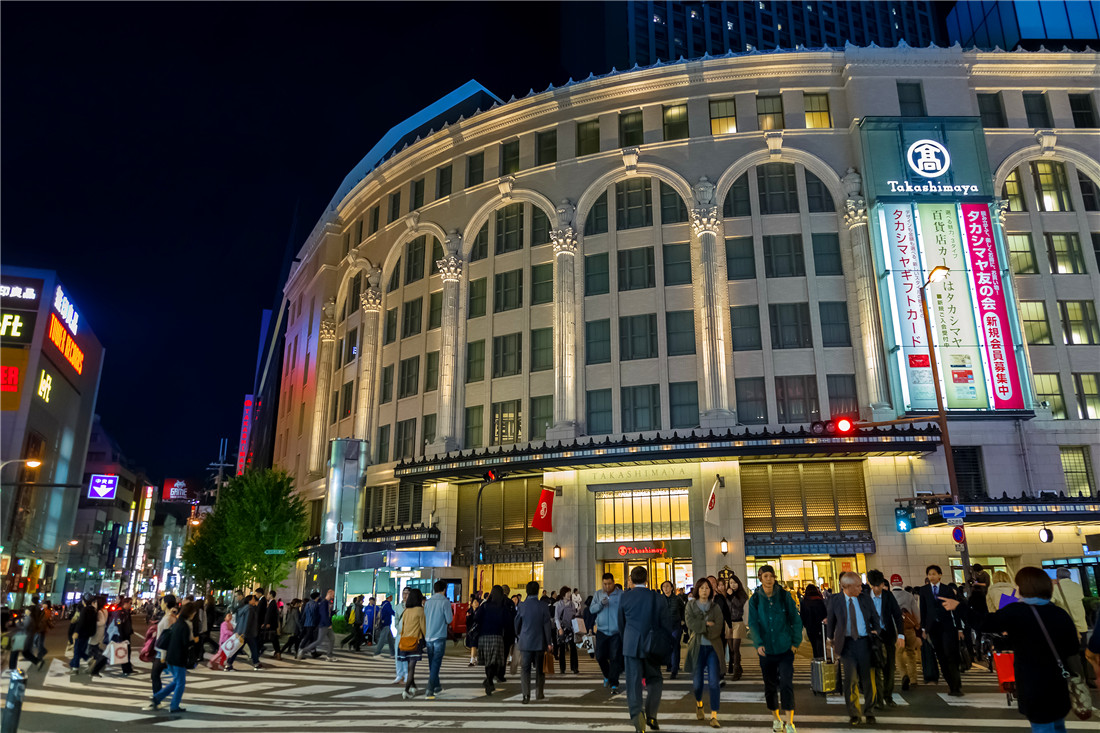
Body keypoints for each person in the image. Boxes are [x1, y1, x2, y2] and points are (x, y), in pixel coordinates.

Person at [983, 567, 1081, 733]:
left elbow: (985, 622)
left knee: (1042, 726)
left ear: (1025, 589)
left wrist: (958, 608)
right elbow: (1072, 648)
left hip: (1033, 684)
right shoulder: (1060, 613)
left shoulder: (1017, 612)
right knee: (1058, 725)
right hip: (1058, 681)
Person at [618, 564, 675, 733]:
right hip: (652, 644)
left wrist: (626, 639)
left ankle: (637, 717)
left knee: (633, 683)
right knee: (655, 680)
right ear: (647, 579)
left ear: (631, 579)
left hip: (631, 644)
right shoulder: (657, 597)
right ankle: (652, 715)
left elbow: (620, 623)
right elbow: (666, 623)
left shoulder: (625, 597)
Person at [747, 565, 801, 733]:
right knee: (770, 685)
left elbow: (795, 620)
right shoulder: (755, 600)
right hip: (766, 650)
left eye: (771, 576)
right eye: (765, 576)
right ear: (760, 578)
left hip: (785, 648)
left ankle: (790, 722)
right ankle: (776, 719)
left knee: (786, 683)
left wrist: (795, 642)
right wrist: (758, 643)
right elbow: (753, 623)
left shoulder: (784, 596)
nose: (768, 579)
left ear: (774, 577)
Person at [827, 571, 882, 727]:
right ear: (847, 587)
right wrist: (829, 639)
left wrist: (876, 630)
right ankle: (854, 713)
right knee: (850, 680)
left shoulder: (865, 598)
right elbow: (831, 620)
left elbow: (875, 617)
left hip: (865, 643)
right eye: (858, 585)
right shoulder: (835, 600)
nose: (861, 587)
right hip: (847, 644)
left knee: (868, 679)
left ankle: (870, 711)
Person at [144, 601, 199, 714]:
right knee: (180, 683)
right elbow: (185, 644)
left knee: (176, 681)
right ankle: (174, 706)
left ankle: (157, 698)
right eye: (194, 613)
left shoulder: (177, 623)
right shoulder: (185, 625)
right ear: (190, 613)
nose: (194, 615)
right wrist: (194, 641)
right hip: (178, 657)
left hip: (171, 656)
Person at [918, 564, 964, 696]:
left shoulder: (947, 589)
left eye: (934, 574)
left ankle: (956, 686)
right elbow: (923, 610)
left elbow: (955, 610)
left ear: (940, 575)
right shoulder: (924, 590)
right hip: (933, 627)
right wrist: (923, 628)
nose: (931, 576)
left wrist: (959, 629)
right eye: (929, 574)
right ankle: (951, 684)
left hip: (948, 626)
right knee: (941, 656)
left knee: (950, 654)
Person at [685, 577, 724, 728]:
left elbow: (718, 626)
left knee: (714, 682)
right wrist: (706, 624)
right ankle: (699, 704)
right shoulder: (690, 606)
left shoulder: (715, 607)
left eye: (707, 588)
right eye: (701, 588)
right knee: (697, 683)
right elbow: (690, 623)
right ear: (697, 590)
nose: (704, 590)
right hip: (697, 647)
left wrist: (704, 628)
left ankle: (714, 715)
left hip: (713, 648)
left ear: (711, 590)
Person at [865, 570, 905, 710]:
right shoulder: (864, 596)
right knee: (875, 668)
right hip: (872, 637)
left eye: (878, 585)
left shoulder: (888, 596)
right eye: (873, 585)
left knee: (889, 667)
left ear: (883, 584)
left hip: (887, 635)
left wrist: (901, 635)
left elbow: (897, 616)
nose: (876, 589)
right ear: (870, 584)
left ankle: (888, 696)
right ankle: (878, 699)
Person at [514, 580, 554, 704]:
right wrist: (549, 642)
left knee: (525, 669)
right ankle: (539, 693)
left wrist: (519, 634)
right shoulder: (543, 606)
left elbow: (516, 623)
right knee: (540, 670)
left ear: (526, 591)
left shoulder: (522, 606)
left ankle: (526, 695)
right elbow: (547, 625)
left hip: (525, 641)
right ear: (538, 591)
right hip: (540, 642)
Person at [592, 572, 624, 694]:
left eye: (609, 583)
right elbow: (591, 609)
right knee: (600, 656)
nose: (607, 586)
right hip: (601, 630)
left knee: (615, 657)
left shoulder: (621, 595)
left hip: (616, 631)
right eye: (604, 584)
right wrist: (600, 604)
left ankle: (614, 684)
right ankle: (607, 675)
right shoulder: (598, 594)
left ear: (613, 582)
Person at [475, 585, 510, 695]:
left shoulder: (485, 606)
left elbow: (476, 619)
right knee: (495, 661)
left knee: (488, 662)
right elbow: (507, 623)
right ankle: (489, 680)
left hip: (484, 636)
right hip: (497, 637)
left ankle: (489, 680)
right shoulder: (502, 607)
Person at [889, 574, 921, 691]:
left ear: (891, 584)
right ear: (901, 583)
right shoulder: (908, 596)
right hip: (909, 629)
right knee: (911, 653)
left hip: (896, 630)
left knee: (898, 654)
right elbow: (916, 613)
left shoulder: (889, 596)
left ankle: (904, 675)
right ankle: (913, 679)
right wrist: (917, 624)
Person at [424, 579, 454, 700]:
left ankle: (437, 686)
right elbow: (449, 619)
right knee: (436, 663)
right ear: (444, 589)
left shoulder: (428, 602)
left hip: (428, 635)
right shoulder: (445, 602)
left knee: (432, 662)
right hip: (439, 635)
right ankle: (430, 688)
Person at [396, 588, 426, 699]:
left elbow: (401, 626)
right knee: (411, 668)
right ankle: (406, 690)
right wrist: (426, 640)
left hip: (404, 641)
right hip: (414, 641)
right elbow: (423, 628)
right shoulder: (420, 610)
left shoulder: (406, 610)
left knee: (409, 666)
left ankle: (413, 686)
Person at [148, 595, 178, 691]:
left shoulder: (169, 618)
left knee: (155, 675)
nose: (160, 604)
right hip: (161, 649)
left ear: (166, 604)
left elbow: (167, 637)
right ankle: (157, 698)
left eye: (162, 602)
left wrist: (163, 656)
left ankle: (157, 698)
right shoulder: (168, 616)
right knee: (156, 675)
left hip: (162, 651)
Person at [297, 589, 335, 661]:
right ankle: (303, 650)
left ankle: (326, 655)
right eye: (332, 595)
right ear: (329, 594)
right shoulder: (321, 603)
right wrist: (326, 623)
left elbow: (305, 614)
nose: (333, 597)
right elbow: (321, 615)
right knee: (316, 640)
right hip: (320, 624)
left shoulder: (310, 603)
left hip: (311, 623)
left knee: (330, 639)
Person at [659, 580, 685, 680]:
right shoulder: (660, 599)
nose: (666, 588)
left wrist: (682, 620)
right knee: (666, 647)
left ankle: (674, 669)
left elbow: (683, 609)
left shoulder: (677, 599)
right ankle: (669, 664)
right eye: (664, 586)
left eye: (668, 586)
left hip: (675, 626)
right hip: (664, 627)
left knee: (675, 646)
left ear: (672, 588)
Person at [724, 575, 748, 680]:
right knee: (731, 649)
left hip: (738, 623)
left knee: (736, 648)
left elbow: (738, 605)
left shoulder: (742, 594)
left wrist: (732, 595)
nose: (732, 585)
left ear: (738, 583)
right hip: (728, 623)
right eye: (730, 583)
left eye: (734, 583)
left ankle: (736, 671)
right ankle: (737, 667)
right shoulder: (727, 595)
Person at [229, 594, 261, 670]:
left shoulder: (243, 608)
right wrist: (244, 633)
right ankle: (228, 664)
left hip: (243, 632)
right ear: (249, 601)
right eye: (253, 599)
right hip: (247, 633)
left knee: (251, 648)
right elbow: (248, 621)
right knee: (249, 648)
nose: (254, 600)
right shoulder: (250, 609)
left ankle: (256, 663)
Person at [553, 585, 579, 674]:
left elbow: (574, 615)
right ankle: (562, 668)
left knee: (573, 647)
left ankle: (574, 667)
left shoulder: (572, 604)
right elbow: (556, 618)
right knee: (562, 648)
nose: (569, 594)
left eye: (569, 593)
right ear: (563, 594)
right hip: (562, 628)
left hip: (570, 627)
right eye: (567, 593)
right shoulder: (558, 604)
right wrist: (559, 628)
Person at [798, 585, 828, 659]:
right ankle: (823, 660)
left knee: (814, 646)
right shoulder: (820, 601)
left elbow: (802, 616)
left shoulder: (804, 602)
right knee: (822, 645)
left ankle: (816, 660)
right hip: (821, 627)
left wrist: (805, 625)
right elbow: (825, 614)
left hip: (810, 628)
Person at [391, 587, 410, 684]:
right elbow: (396, 620)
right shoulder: (398, 606)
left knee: (406, 655)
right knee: (398, 654)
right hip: (399, 634)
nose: (405, 595)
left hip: (409, 635)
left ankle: (406, 674)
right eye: (403, 593)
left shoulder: (412, 607)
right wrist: (398, 628)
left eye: (407, 593)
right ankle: (399, 674)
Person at [372, 593, 396, 658]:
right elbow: (390, 612)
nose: (392, 598)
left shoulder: (383, 604)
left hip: (384, 623)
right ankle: (377, 653)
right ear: (389, 597)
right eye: (391, 597)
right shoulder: (387, 604)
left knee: (390, 639)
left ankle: (393, 653)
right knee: (382, 639)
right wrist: (397, 615)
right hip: (386, 623)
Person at [299, 591, 321, 655]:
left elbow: (304, 614)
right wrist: (317, 623)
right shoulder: (315, 604)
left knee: (311, 638)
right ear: (317, 597)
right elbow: (315, 615)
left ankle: (313, 652)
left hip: (307, 623)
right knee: (308, 637)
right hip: (312, 623)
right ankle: (300, 649)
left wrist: (302, 622)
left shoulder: (308, 603)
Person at [465, 597, 480, 666]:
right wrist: (468, 617)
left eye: (477, 602)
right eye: (474, 602)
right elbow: (467, 623)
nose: (476, 603)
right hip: (471, 631)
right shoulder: (469, 611)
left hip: (478, 631)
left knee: (474, 645)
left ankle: (472, 660)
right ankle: (474, 659)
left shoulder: (480, 611)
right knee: (473, 645)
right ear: (472, 604)